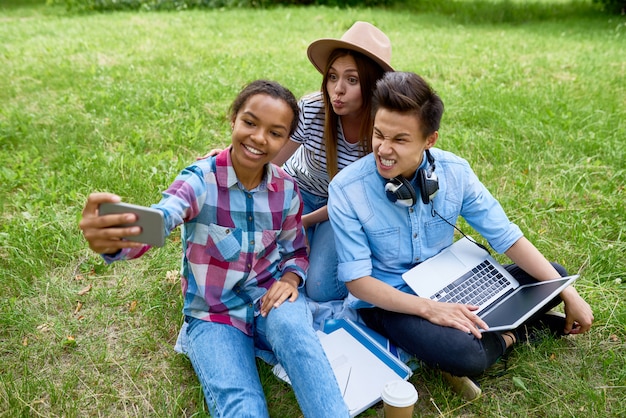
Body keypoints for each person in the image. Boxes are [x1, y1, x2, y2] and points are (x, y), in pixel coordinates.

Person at [79, 80, 350, 417]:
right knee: (242, 405)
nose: (259, 138)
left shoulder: (286, 188)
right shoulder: (200, 180)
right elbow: (165, 216)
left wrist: (291, 280)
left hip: (271, 299)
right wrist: (120, 237)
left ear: (285, 141)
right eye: (250, 123)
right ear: (233, 119)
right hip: (214, 314)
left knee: (300, 339)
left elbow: (295, 250)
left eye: (275, 133)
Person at [327, 71, 594, 399]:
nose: (383, 149)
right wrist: (430, 309)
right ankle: (519, 333)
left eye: (399, 140)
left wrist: (570, 295)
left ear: (430, 141)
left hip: (448, 283)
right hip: (388, 301)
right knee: (467, 355)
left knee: (554, 278)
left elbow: (506, 236)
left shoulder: (455, 172)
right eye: (379, 134)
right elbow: (357, 282)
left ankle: (496, 333)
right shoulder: (346, 189)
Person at [200, 22, 393, 304]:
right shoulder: (314, 108)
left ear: (373, 84)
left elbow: (353, 200)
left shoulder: (381, 130)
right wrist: (229, 158)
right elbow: (272, 156)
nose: (337, 90)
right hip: (293, 192)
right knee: (245, 259)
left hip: (341, 208)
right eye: (332, 77)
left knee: (320, 287)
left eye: (352, 80)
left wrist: (301, 223)